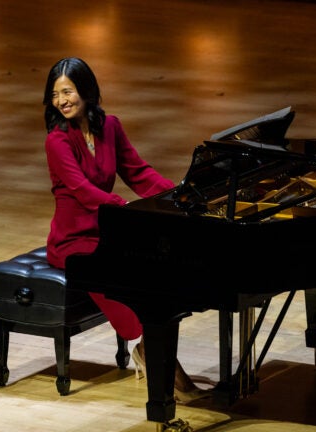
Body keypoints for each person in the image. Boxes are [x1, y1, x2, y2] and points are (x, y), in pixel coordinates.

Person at [42, 57, 206, 401]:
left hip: (108, 229)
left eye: (68, 91)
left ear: (87, 91)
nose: (62, 101)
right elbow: (82, 191)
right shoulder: (57, 141)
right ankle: (148, 350)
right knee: (117, 272)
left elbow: (138, 171)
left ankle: (155, 349)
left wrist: (176, 194)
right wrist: (125, 208)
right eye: (56, 95)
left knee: (155, 265)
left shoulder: (110, 126)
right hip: (73, 241)